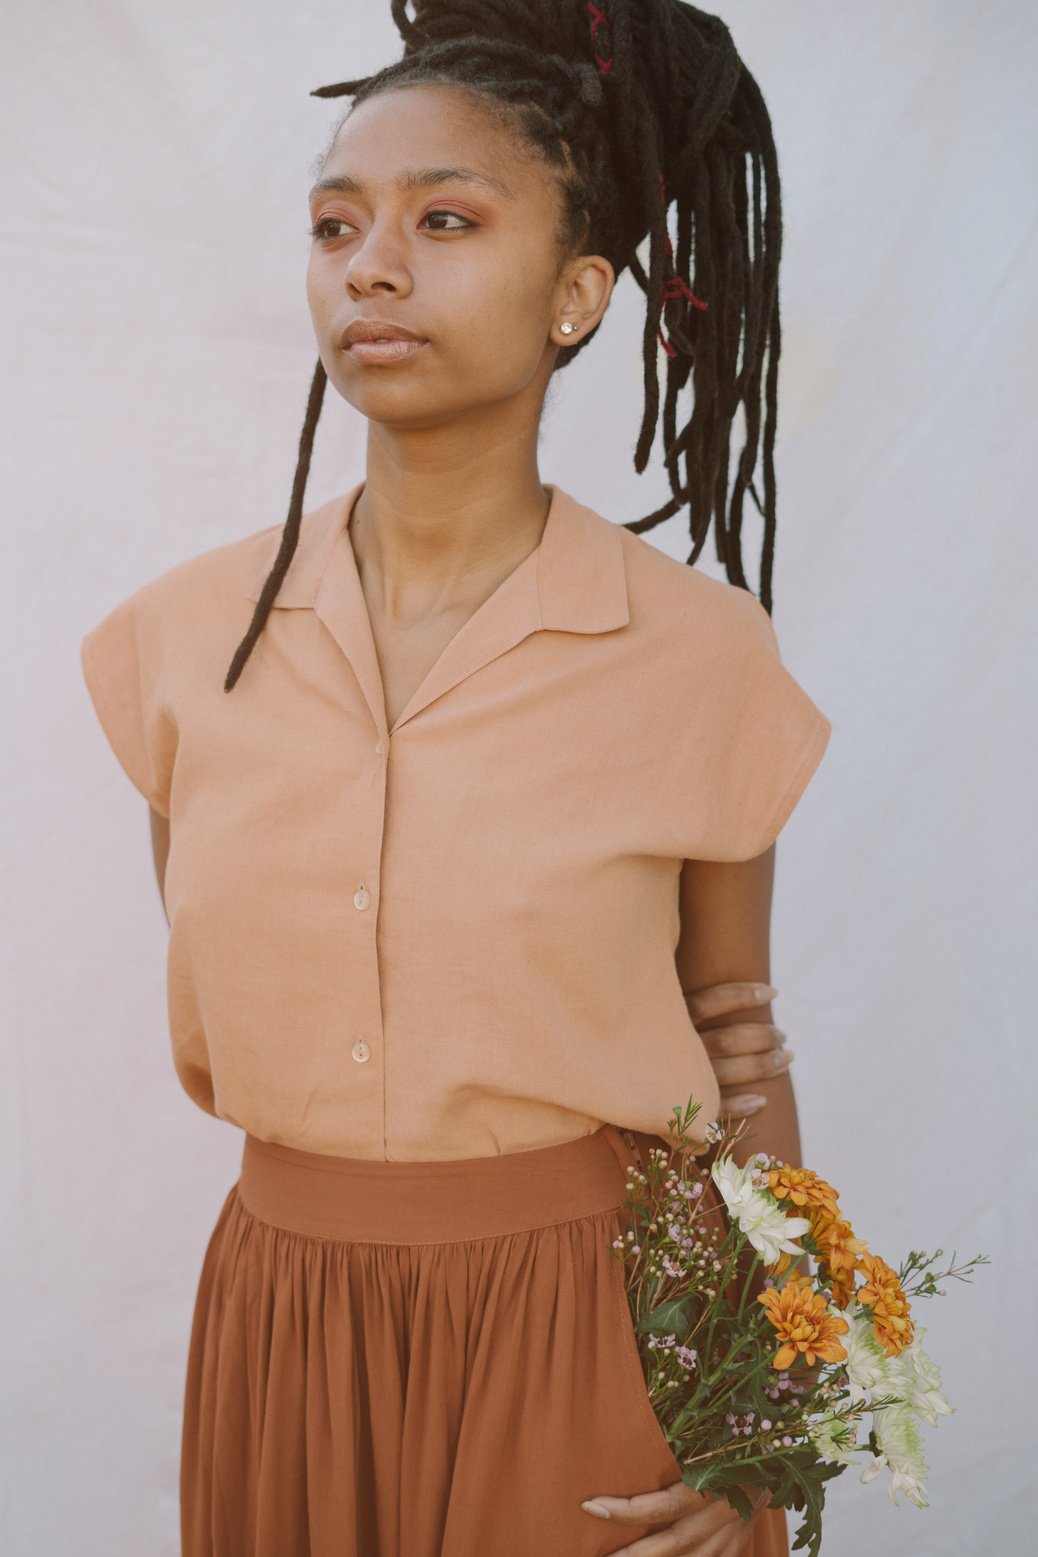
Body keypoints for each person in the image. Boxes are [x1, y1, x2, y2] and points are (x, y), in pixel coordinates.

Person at [79, 3, 833, 1554]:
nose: (370, 265)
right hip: (287, 1326)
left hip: (592, 1337)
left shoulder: (695, 655)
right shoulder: (179, 644)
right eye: (333, 224)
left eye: (444, 220)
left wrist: (754, 1408)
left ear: (575, 294)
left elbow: (734, 1046)